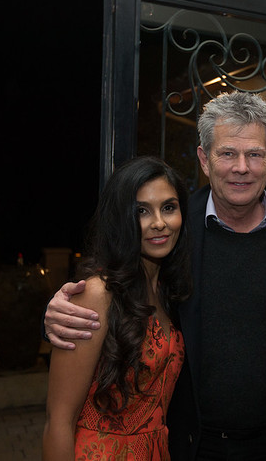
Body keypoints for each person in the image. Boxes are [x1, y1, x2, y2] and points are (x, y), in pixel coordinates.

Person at [43, 92, 266, 460]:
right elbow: (115, 286)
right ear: (204, 159)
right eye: (227, 153)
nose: (241, 167)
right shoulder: (174, 233)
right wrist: (56, 309)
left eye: (254, 154)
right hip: (188, 446)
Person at [42, 156, 192, 460]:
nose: (159, 223)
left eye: (168, 207)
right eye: (141, 211)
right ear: (121, 218)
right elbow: (59, 421)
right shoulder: (98, 293)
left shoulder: (168, 290)